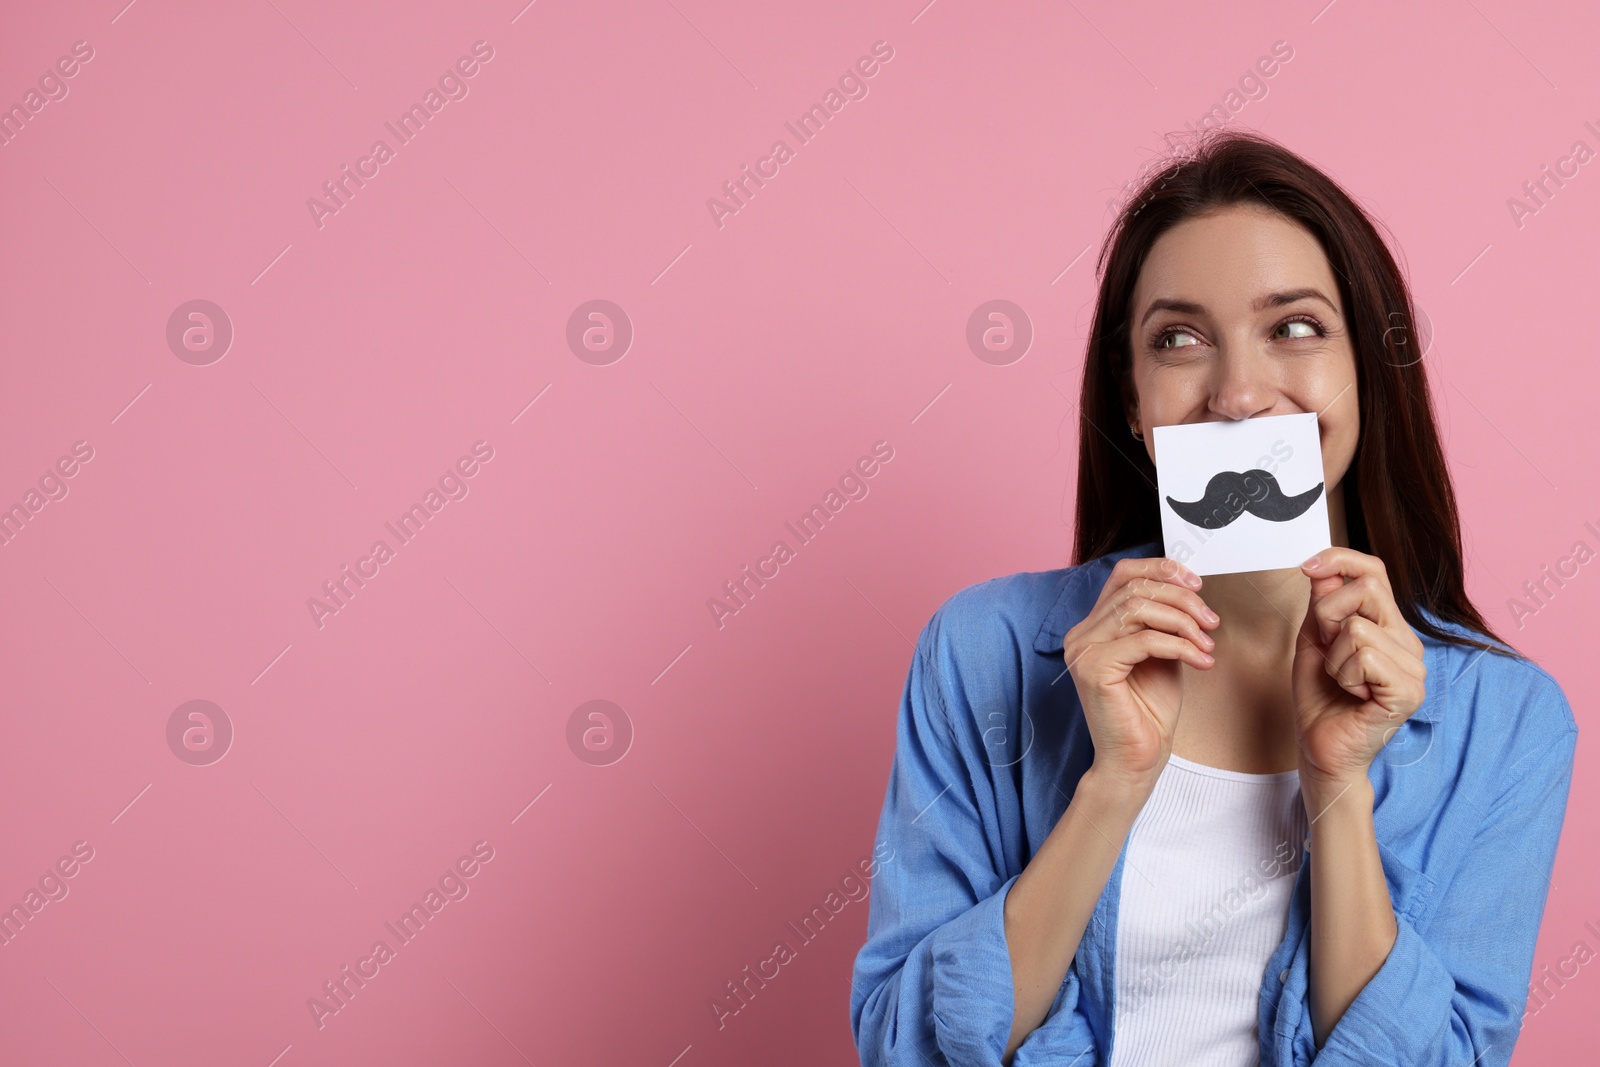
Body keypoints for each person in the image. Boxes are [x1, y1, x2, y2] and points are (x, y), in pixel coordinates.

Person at [849, 129, 1578, 1067]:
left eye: (1296, 327)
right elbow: (904, 1046)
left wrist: (1338, 789)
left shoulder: (1509, 724)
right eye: (1180, 339)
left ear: (1368, 369)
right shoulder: (979, 654)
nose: (1237, 394)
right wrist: (1112, 786)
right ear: (1132, 395)